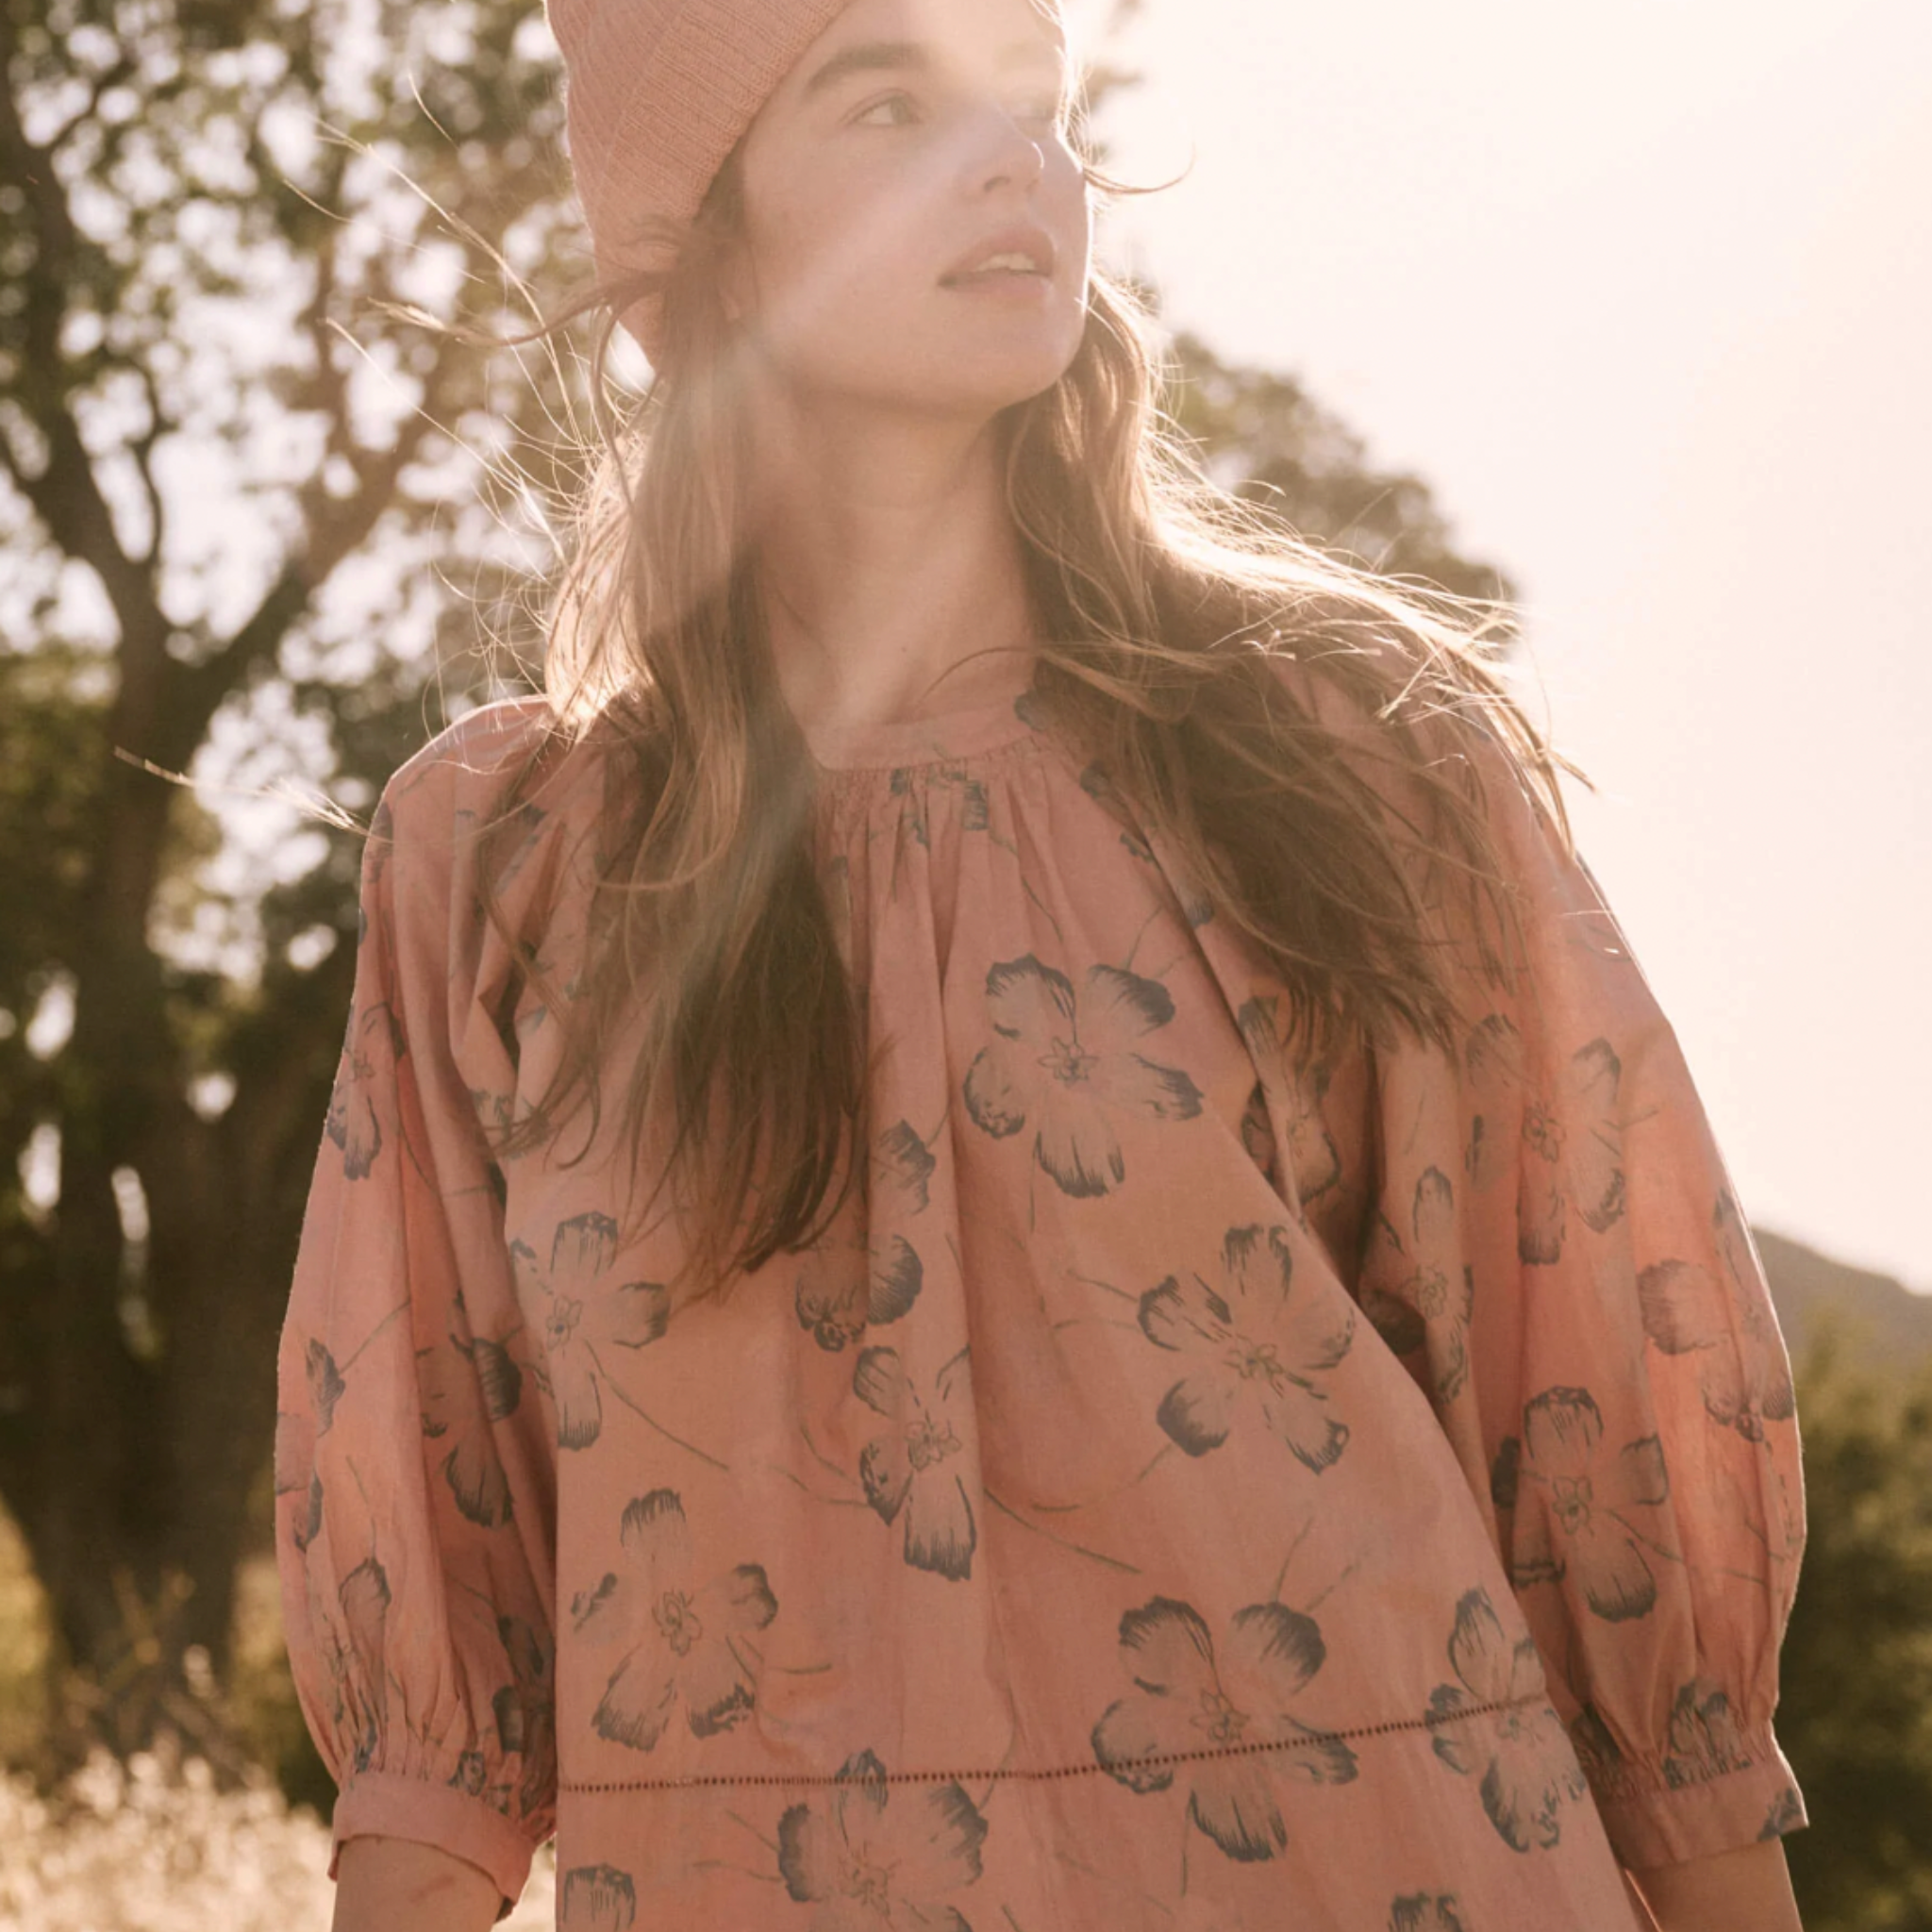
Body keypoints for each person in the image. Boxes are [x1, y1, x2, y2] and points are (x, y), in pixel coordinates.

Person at [272, 0, 1811, 1925]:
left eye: (1034, 105)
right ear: (693, 257)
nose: (1018, 163)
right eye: (888, 98)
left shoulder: (1336, 754)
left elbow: (1589, 1388)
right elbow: (436, 1528)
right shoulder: (504, 857)